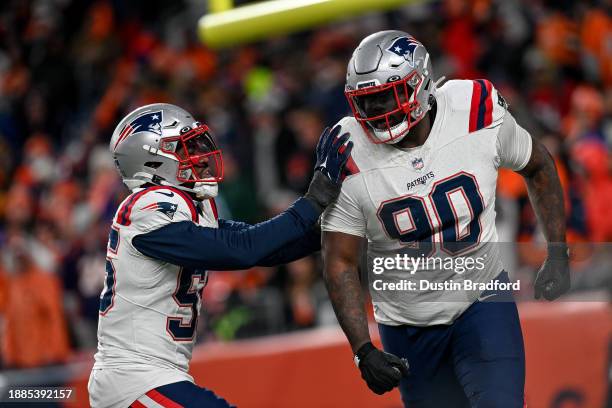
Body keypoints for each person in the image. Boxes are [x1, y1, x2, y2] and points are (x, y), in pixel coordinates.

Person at [320, 31, 570, 407]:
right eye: (365, 101)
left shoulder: (475, 110)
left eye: (385, 95)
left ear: (419, 85)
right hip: (407, 327)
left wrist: (557, 250)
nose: (374, 111)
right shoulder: (346, 149)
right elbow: (339, 258)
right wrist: (361, 348)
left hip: (482, 302)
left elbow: (538, 165)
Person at [88, 103, 352, 408]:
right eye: (183, 147)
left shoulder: (189, 206)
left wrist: (339, 231)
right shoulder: (147, 207)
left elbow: (262, 246)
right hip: (134, 380)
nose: (198, 155)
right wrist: (314, 198)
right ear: (152, 162)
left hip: (157, 376)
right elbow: (243, 250)